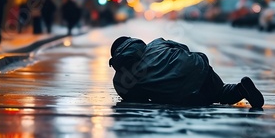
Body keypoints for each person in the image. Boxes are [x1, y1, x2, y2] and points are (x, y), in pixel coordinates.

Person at [109, 36, 265, 108]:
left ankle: (233, 91)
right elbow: (183, 48)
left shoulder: (122, 80)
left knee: (209, 97)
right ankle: (240, 88)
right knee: (220, 91)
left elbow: (139, 100)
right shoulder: (157, 43)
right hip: (199, 68)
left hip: (183, 94)